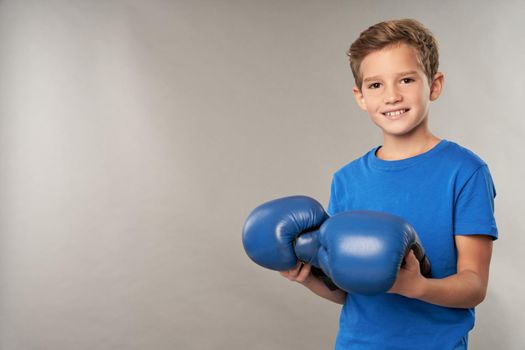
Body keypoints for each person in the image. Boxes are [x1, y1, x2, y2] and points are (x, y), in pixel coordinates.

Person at [280, 18, 498, 349]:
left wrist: (416, 286)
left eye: (406, 80)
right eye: (376, 85)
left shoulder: (465, 172)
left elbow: (474, 285)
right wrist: (307, 277)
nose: (392, 96)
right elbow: (350, 290)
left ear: (434, 85)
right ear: (360, 97)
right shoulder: (347, 180)